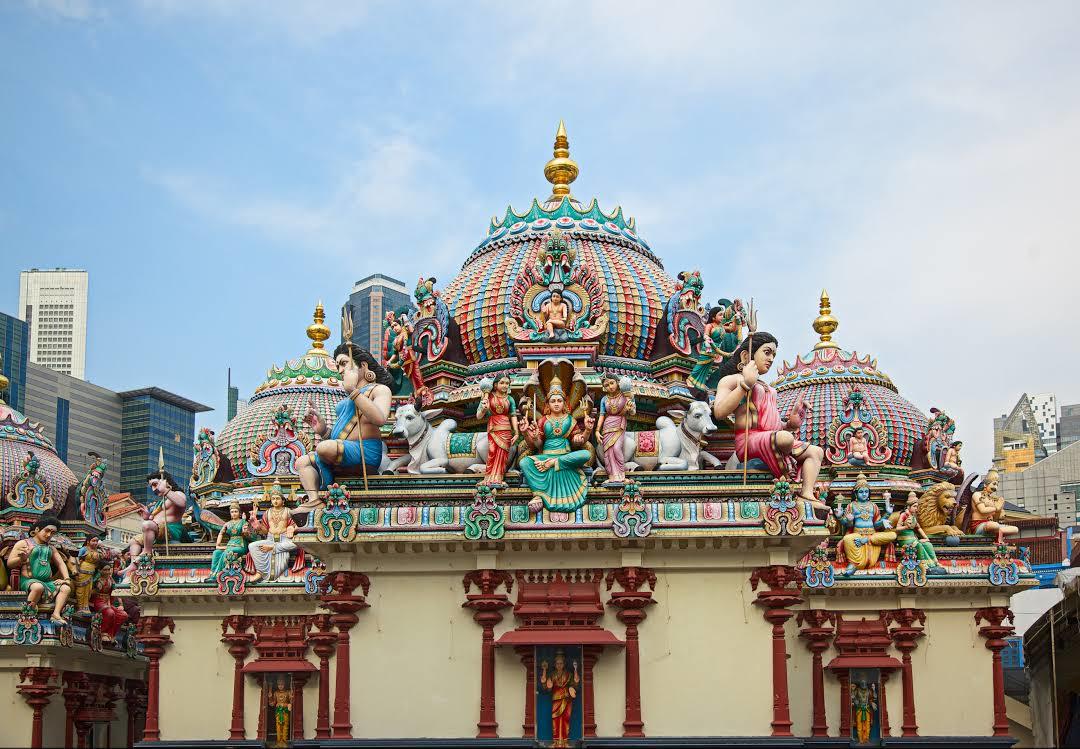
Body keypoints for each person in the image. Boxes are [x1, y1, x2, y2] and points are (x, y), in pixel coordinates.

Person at [712, 332, 827, 513]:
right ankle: (787, 464)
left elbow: (771, 425)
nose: (771, 358)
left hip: (771, 438)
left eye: (773, 354)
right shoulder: (733, 381)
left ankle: (807, 493)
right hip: (749, 441)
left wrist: (791, 423)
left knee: (816, 451)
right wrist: (745, 385)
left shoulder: (769, 389)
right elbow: (719, 412)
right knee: (784, 440)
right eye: (767, 352)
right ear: (746, 355)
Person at [296, 343, 393, 508]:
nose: (340, 370)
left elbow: (380, 419)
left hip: (365, 451)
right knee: (302, 462)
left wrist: (353, 390)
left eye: (344, 363)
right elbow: (342, 436)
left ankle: (326, 482)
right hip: (343, 450)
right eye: (338, 366)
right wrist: (324, 431)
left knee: (324, 448)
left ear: (363, 366)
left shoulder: (379, 390)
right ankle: (314, 501)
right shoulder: (346, 401)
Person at [519, 375, 595, 513]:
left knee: (586, 454)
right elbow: (538, 445)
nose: (556, 403)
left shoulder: (570, 419)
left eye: (559, 400)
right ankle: (539, 494)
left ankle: (554, 463)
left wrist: (587, 432)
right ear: (548, 403)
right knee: (524, 463)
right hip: (545, 457)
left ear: (564, 403)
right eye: (553, 401)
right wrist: (531, 435)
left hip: (565, 456)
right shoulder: (543, 420)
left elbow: (578, 441)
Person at [6, 515, 72, 622]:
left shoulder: (51, 548)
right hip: (28, 581)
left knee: (66, 588)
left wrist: (66, 579)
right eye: (47, 531)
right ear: (37, 529)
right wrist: (22, 558)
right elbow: (10, 563)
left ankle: (56, 614)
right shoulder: (24, 543)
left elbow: (61, 564)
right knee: (38, 587)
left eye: (52, 533)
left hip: (48, 582)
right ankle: (27, 615)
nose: (49, 535)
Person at [125, 471, 188, 569]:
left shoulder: (177, 493)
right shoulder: (160, 502)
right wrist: (147, 516)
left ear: (165, 481)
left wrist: (166, 490)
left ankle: (147, 552)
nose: (153, 489)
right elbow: (154, 518)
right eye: (151, 486)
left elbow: (182, 503)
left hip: (171, 529)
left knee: (147, 525)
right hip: (158, 530)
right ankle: (133, 564)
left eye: (155, 484)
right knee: (134, 541)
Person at [247, 484, 297, 583]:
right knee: (252, 546)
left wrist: (291, 527)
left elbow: (294, 525)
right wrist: (258, 526)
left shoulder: (288, 511)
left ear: (283, 501)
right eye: (273, 498)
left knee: (295, 544)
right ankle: (260, 572)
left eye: (277, 498)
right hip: (270, 539)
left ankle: (274, 549)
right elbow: (265, 530)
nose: (275, 501)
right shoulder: (267, 513)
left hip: (284, 540)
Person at [476, 374, 518, 486]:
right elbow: (478, 416)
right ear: (495, 385)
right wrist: (484, 409)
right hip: (493, 427)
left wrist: (517, 432)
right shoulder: (488, 397)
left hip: (506, 429)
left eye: (507, 383)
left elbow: (513, 415)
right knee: (492, 451)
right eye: (502, 383)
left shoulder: (510, 399)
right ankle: (489, 478)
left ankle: (499, 478)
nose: (505, 386)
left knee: (503, 455)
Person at [596, 373, 635, 485]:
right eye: (607, 385)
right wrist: (597, 431)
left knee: (617, 448)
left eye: (612, 383)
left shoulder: (625, 395)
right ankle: (612, 476)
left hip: (619, 424)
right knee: (608, 452)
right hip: (607, 426)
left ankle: (621, 475)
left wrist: (630, 408)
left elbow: (633, 412)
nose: (610, 386)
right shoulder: (604, 399)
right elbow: (602, 415)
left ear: (618, 383)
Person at [539, 650, 579, 748]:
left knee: (566, 719)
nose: (559, 665)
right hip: (556, 699)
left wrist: (573, 685)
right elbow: (546, 688)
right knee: (555, 720)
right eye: (557, 663)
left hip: (566, 699)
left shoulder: (569, 674)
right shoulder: (552, 675)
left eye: (561, 663)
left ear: (564, 664)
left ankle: (565, 741)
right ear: (555, 664)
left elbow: (574, 685)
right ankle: (556, 741)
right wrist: (544, 673)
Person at [968, 470, 1019, 543]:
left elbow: (996, 518)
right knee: (994, 525)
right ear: (986, 484)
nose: (996, 488)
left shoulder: (992, 499)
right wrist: (996, 508)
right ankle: (998, 535)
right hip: (979, 525)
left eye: (997, 485)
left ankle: (998, 535)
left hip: (992, 525)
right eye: (994, 484)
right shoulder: (977, 494)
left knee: (1015, 529)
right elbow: (982, 510)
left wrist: (1000, 509)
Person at [208, 502, 251, 582]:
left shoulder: (243, 522)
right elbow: (221, 533)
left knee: (227, 552)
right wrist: (218, 544)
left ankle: (217, 575)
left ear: (240, 513)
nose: (234, 514)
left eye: (236, 511)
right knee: (216, 553)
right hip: (230, 544)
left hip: (240, 545)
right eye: (232, 512)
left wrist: (245, 529)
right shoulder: (227, 524)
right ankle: (212, 573)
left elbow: (247, 535)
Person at [89, 558, 128, 642]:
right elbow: (90, 593)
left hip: (108, 603)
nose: (107, 572)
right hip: (98, 602)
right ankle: (103, 633)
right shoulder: (97, 580)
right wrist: (97, 589)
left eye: (108, 570)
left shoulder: (110, 579)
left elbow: (116, 591)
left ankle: (111, 635)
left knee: (123, 615)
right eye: (105, 570)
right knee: (110, 613)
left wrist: (121, 605)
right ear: (99, 570)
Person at [73, 534, 108, 613]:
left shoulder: (97, 551)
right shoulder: (84, 549)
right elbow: (77, 561)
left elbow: (102, 560)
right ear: (88, 542)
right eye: (93, 541)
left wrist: (102, 549)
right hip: (82, 572)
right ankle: (80, 606)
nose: (95, 543)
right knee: (81, 590)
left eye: (96, 541)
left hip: (91, 573)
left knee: (88, 591)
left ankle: (85, 607)